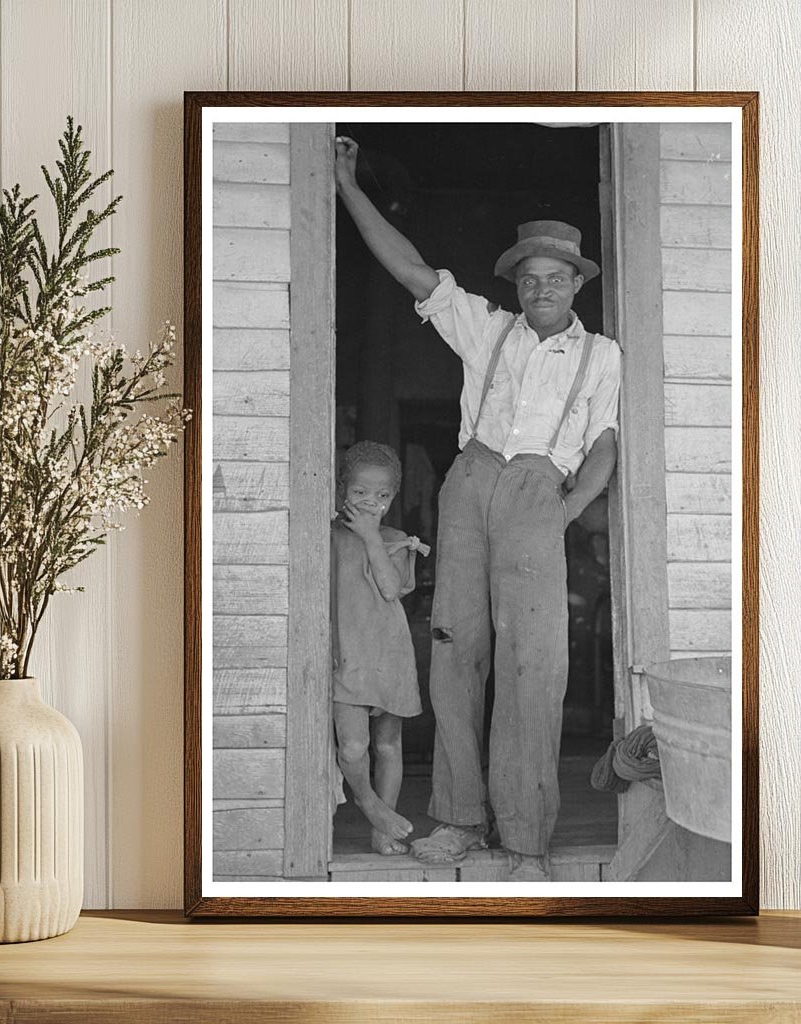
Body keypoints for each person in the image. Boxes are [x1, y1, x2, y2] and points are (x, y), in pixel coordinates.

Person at [334, 136, 621, 881]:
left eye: (556, 278)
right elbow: (409, 270)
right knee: (456, 657)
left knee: (534, 669)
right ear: (517, 284)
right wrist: (346, 186)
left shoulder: (604, 357)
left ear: (575, 284)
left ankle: (526, 840)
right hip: (470, 486)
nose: (542, 290)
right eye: (531, 279)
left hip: (540, 497)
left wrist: (560, 514)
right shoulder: (487, 329)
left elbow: (604, 449)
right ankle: (459, 821)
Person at [331, 440, 429, 856]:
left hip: (389, 655)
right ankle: (370, 805)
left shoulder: (395, 540)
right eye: (360, 493)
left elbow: (391, 589)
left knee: (388, 746)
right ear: (341, 490)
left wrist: (373, 537)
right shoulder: (327, 535)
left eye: (382, 495)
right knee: (353, 746)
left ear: (393, 497)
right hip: (346, 654)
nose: (371, 502)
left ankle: (382, 830)